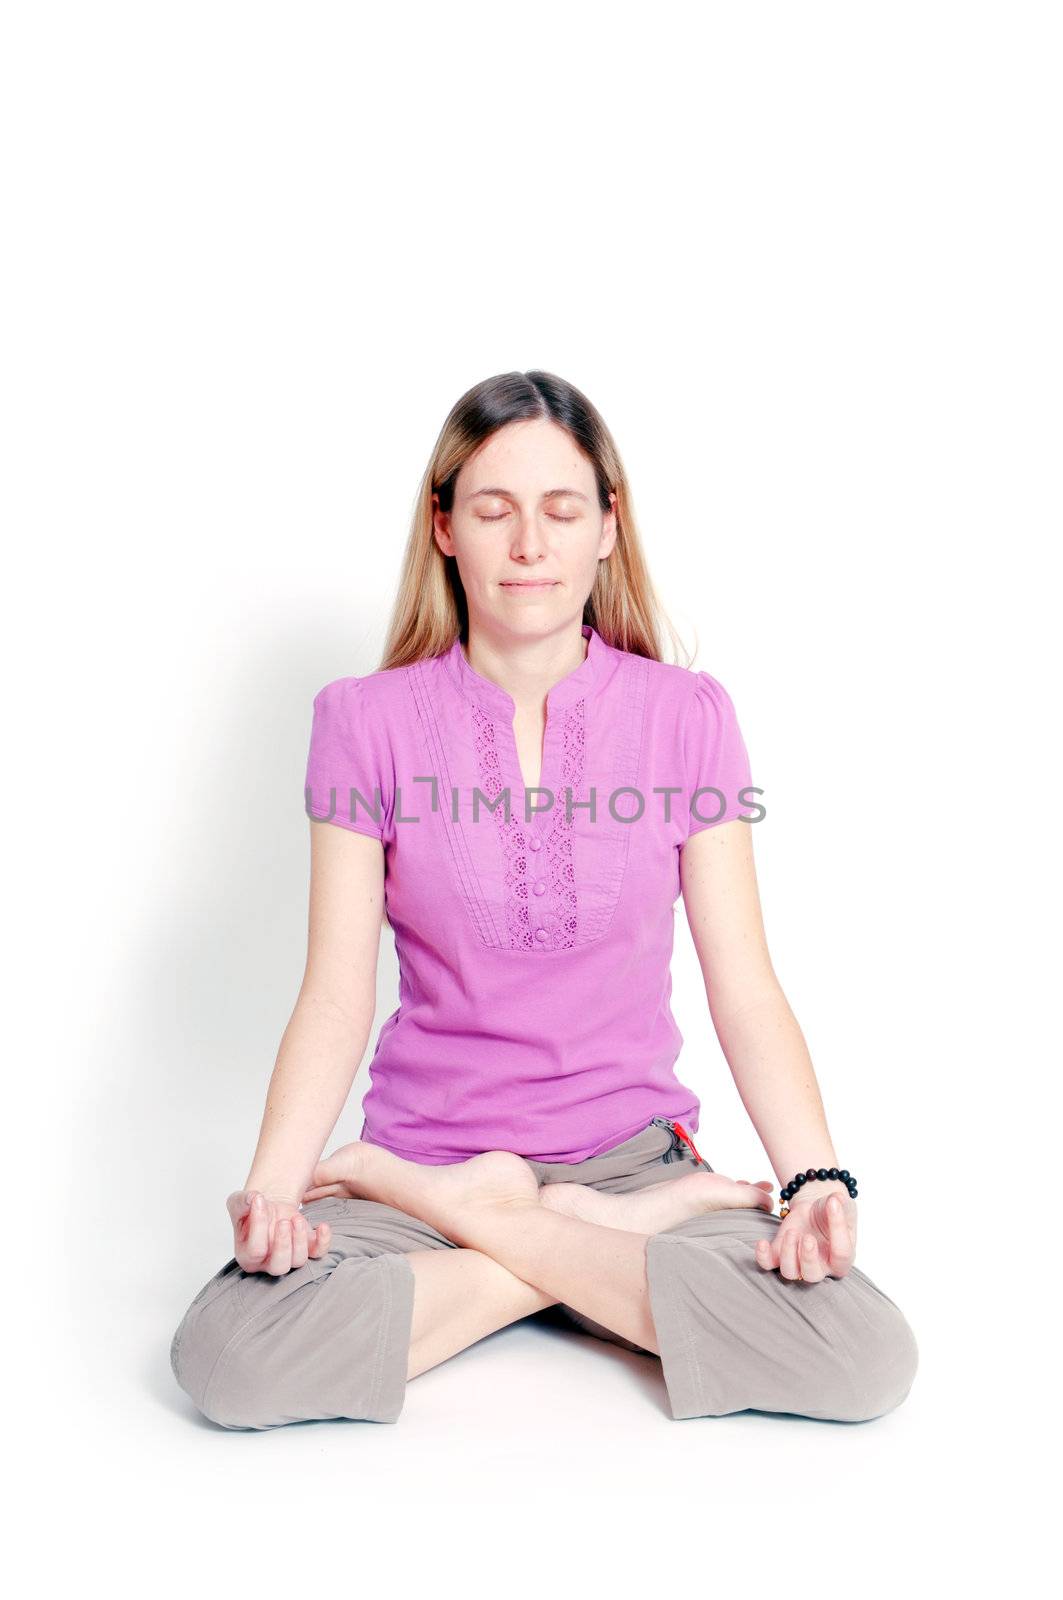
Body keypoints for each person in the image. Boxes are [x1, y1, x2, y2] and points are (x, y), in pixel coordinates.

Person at [169, 370, 918, 1430]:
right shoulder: (361, 720)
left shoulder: (687, 716)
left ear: (608, 527)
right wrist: (277, 1193)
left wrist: (814, 1177)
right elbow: (334, 993)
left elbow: (743, 984)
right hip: (428, 1159)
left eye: (562, 510)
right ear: (444, 528)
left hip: (632, 1161)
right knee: (234, 1357)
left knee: (858, 1354)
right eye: (492, 509)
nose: (529, 543)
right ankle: (534, 1232)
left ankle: (520, 1224)